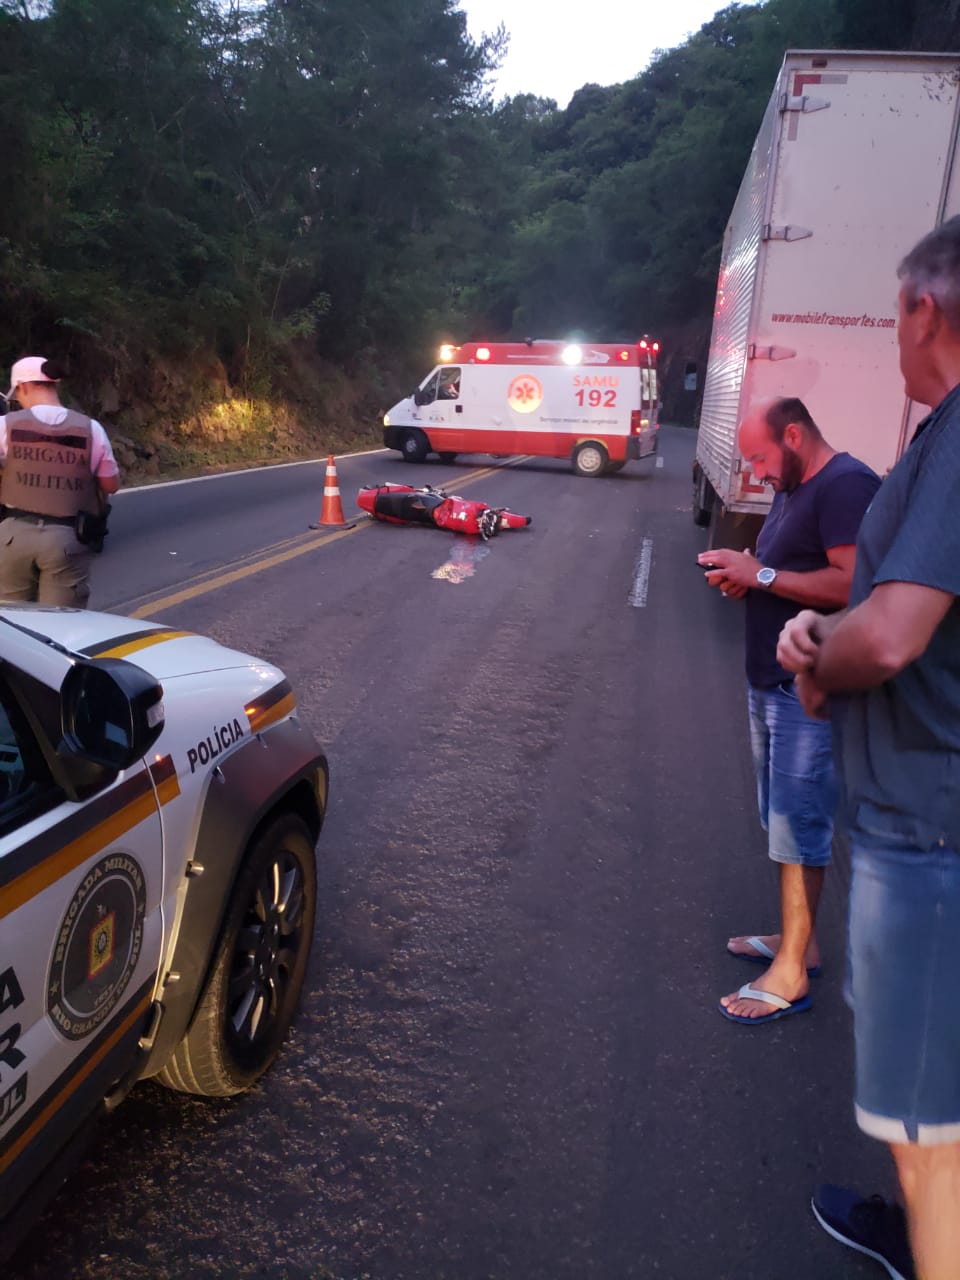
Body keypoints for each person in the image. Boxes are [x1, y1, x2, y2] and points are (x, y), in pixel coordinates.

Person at [778, 215, 960, 1280]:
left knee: (925, 1126)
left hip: (928, 830)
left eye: (894, 314)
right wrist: (830, 637)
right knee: (930, 1105)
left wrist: (816, 656)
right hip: (922, 815)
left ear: (924, 308)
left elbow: (889, 632)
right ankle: (919, 1229)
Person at [697, 397, 879, 1025]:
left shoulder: (845, 485)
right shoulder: (797, 487)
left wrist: (762, 575)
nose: (758, 472)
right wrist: (744, 577)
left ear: (795, 436)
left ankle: (792, 971)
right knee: (782, 822)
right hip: (770, 683)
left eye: (762, 457)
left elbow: (856, 584)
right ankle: (798, 942)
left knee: (799, 826)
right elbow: (782, 570)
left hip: (804, 690)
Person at [0, 355, 119, 606]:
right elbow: (111, 485)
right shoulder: (91, 429)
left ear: (24, 387)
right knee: (61, 625)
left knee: (11, 624)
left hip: (12, 538)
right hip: (67, 539)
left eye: (17, 395)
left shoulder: (5, 426)